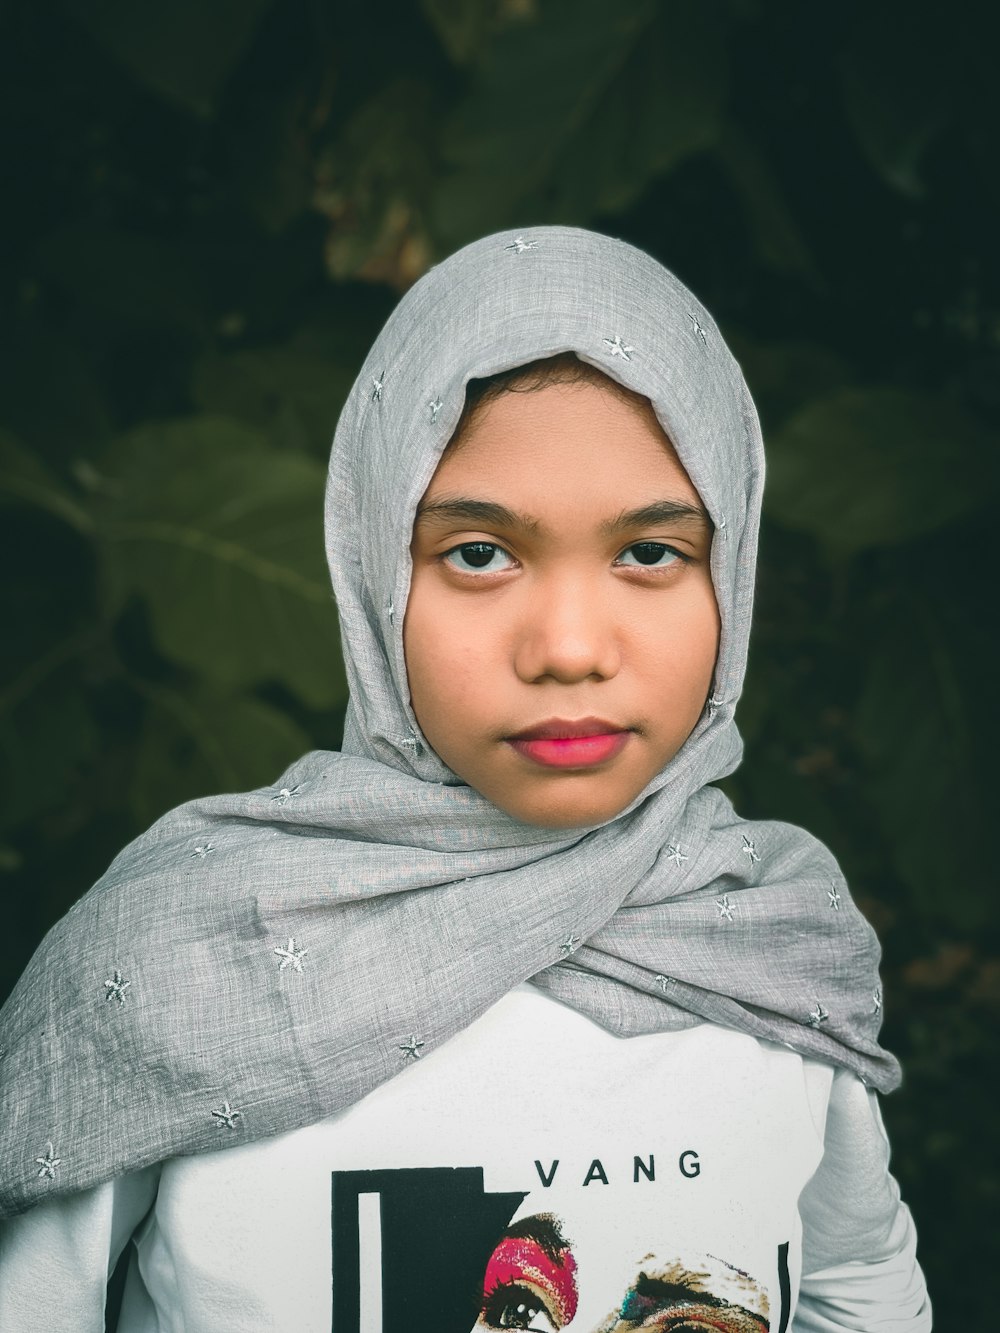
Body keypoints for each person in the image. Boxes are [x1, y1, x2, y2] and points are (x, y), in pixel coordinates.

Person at [0, 227, 930, 1330]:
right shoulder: (179, 960)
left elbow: (857, 1292)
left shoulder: (769, 945)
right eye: (479, 554)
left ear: (730, 577)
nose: (570, 647)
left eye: (650, 554)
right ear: (374, 573)